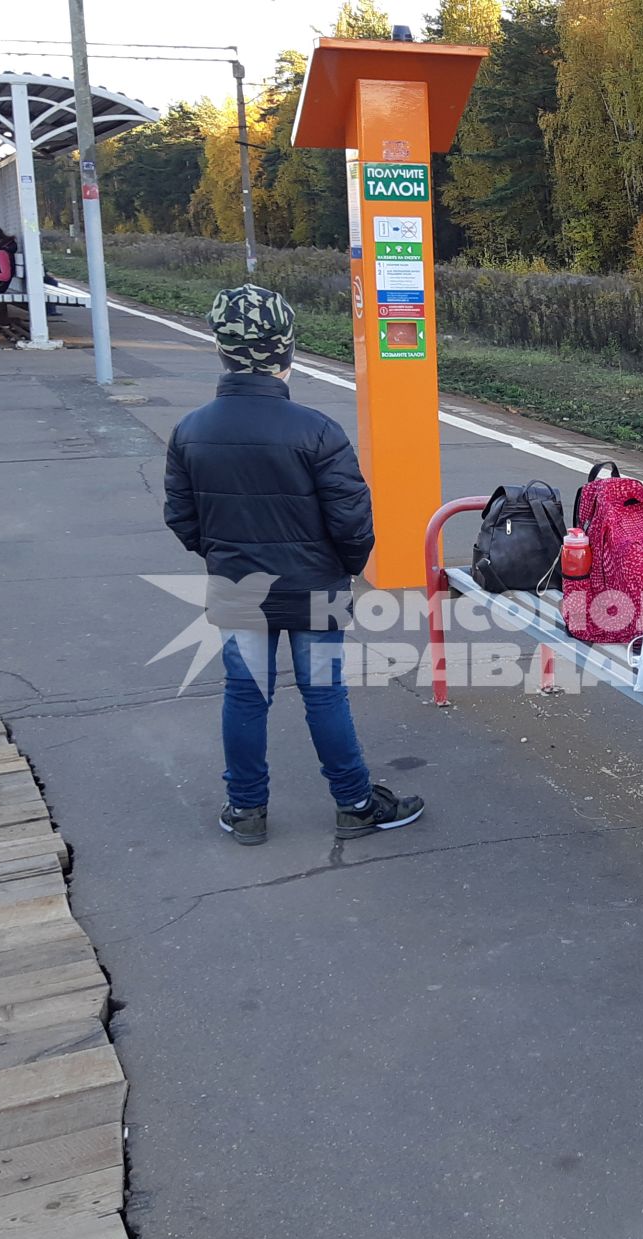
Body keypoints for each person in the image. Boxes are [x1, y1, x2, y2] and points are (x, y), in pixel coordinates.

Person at [162, 284, 425, 846]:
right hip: (315, 585)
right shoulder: (317, 431)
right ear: (286, 352)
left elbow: (181, 518)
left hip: (237, 586)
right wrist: (341, 569)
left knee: (244, 694)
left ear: (221, 349)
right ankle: (354, 803)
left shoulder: (191, 430)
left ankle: (246, 810)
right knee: (325, 693)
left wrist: (224, 557)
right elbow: (354, 522)